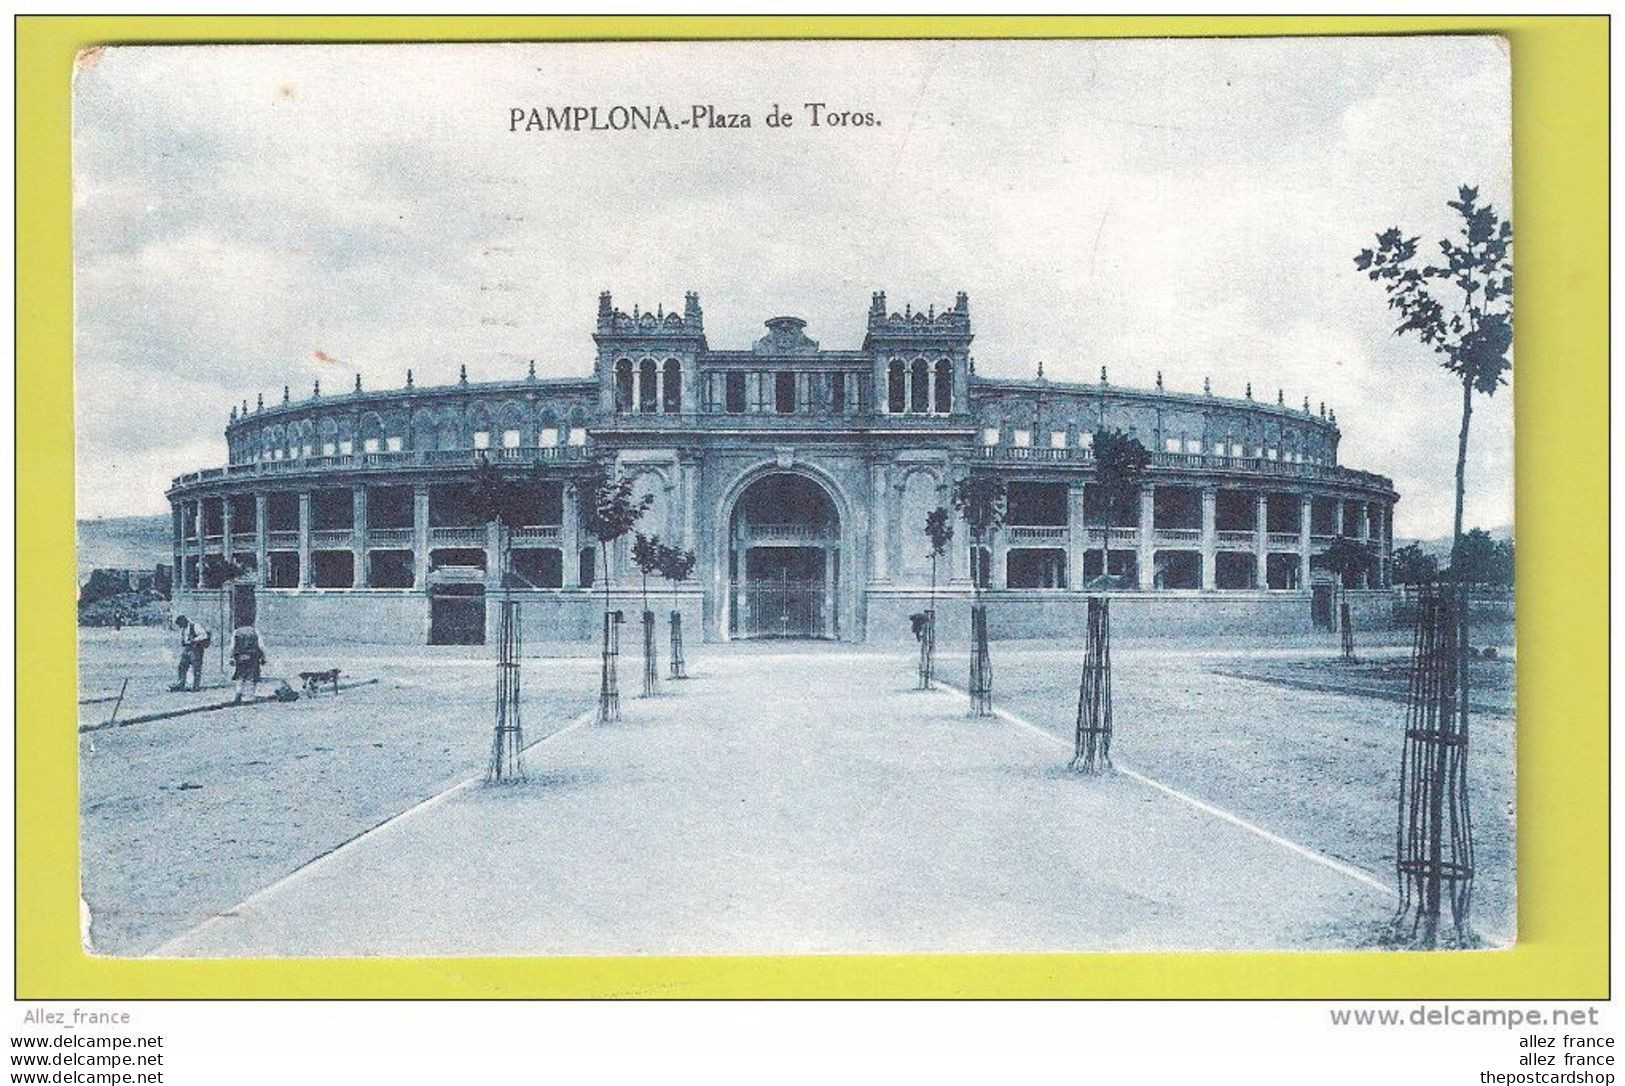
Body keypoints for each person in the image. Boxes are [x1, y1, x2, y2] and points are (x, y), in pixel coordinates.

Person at [170, 614, 209, 692]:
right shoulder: (184, 628)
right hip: (187, 649)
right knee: (182, 666)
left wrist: (194, 640)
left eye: (181, 624)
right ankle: (180, 684)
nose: (180, 626)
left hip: (196, 649)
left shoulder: (195, 626)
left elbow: (204, 636)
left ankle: (196, 686)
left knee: (196, 668)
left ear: (184, 621)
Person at [229, 624, 268, 704]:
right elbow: (261, 645)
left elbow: (232, 646)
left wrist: (231, 657)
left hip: (240, 656)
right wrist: (264, 657)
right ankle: (248, 696)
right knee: (252, 675)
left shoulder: (236, 632)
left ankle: (239, 691)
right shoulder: (255, 631)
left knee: (239, 674)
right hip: (253, 656)